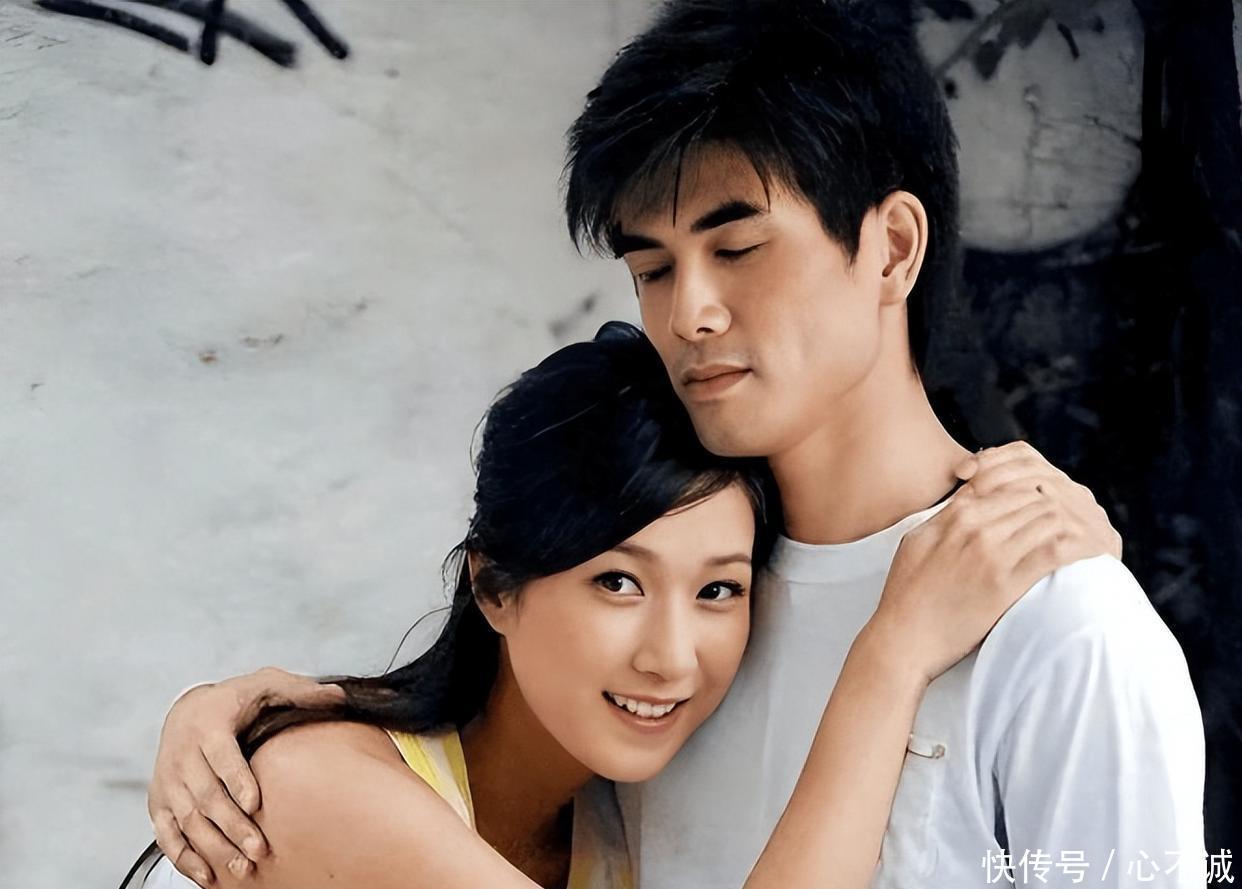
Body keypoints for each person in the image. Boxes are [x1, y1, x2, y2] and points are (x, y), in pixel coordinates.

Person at [147, 1, 1206, 886]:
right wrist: (256, 721)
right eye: (652, 269)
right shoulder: (692, 608)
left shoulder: (1061, 632)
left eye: (737, 248)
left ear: (891, 248)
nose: (689, 313)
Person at [127, 322, 1113, 889]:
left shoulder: (611, 826)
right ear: (494, 586)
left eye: (718, 589)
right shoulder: (316, 787)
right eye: (617, 582)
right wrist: (889, 659)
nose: (671, 657)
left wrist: (1057, 548)